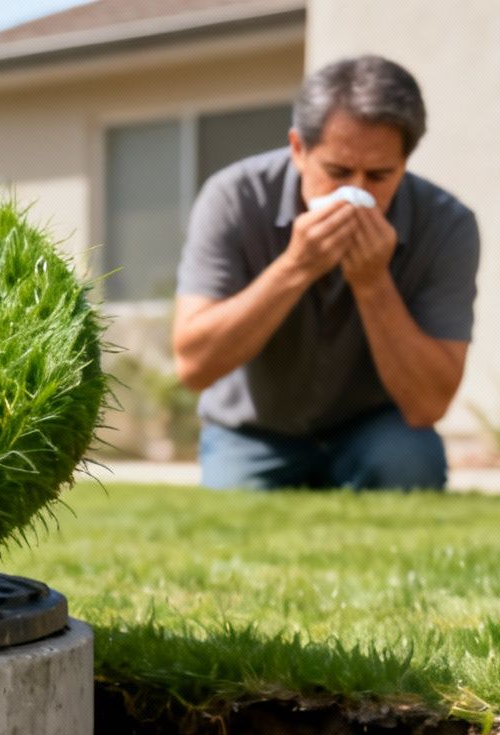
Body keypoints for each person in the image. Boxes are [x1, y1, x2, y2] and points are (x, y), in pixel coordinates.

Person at [173, 55, 479, 491]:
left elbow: (428, 405)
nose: (357, 191)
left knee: (409, 467)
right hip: (255, 429)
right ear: (298, 149)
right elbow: (193, 366)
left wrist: (374, 284)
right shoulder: (233, 198)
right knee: (237, 511)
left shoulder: (448, 224)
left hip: (373, 428)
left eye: (379, 175)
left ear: (405, 163)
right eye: (337, 172)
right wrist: (295, 267)